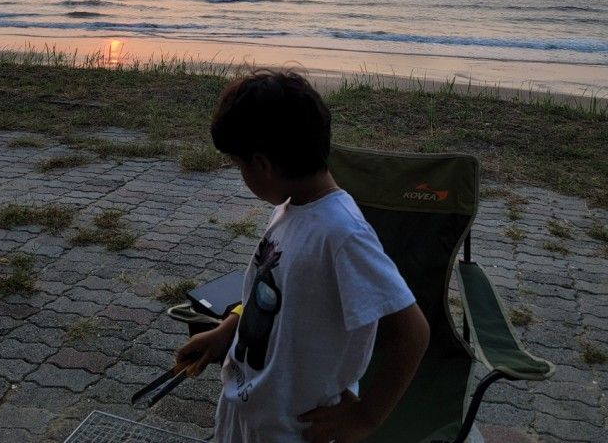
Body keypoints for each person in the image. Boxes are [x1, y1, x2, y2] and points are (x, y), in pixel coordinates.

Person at [177, 70, 430, 443]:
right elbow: (274, 301)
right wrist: (225, 333)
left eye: (239, 165)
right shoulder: (290, 208)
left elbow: (413, 331)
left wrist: (366, 417)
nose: (242, 175)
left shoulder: (342, 234)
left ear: (261, 164)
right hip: (249, 410)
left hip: (295, 428)